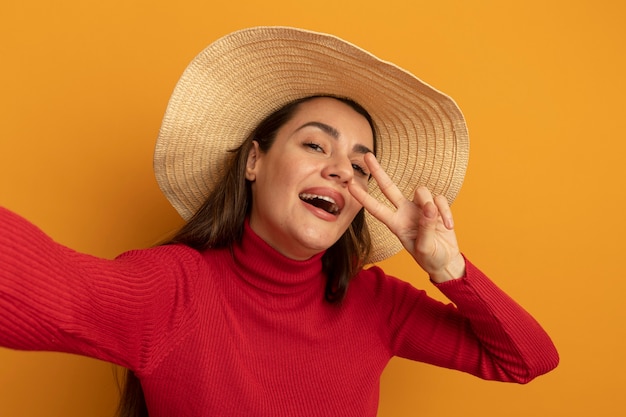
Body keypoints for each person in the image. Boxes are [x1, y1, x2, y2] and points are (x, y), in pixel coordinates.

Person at [0, 27, 558, 417]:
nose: (341, 171)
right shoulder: (175, 289)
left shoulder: (377, 302)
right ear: (253, 160)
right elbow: (45, 289)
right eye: (315, 144)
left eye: (361, 164)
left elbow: (527, 359)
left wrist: (447, 267)